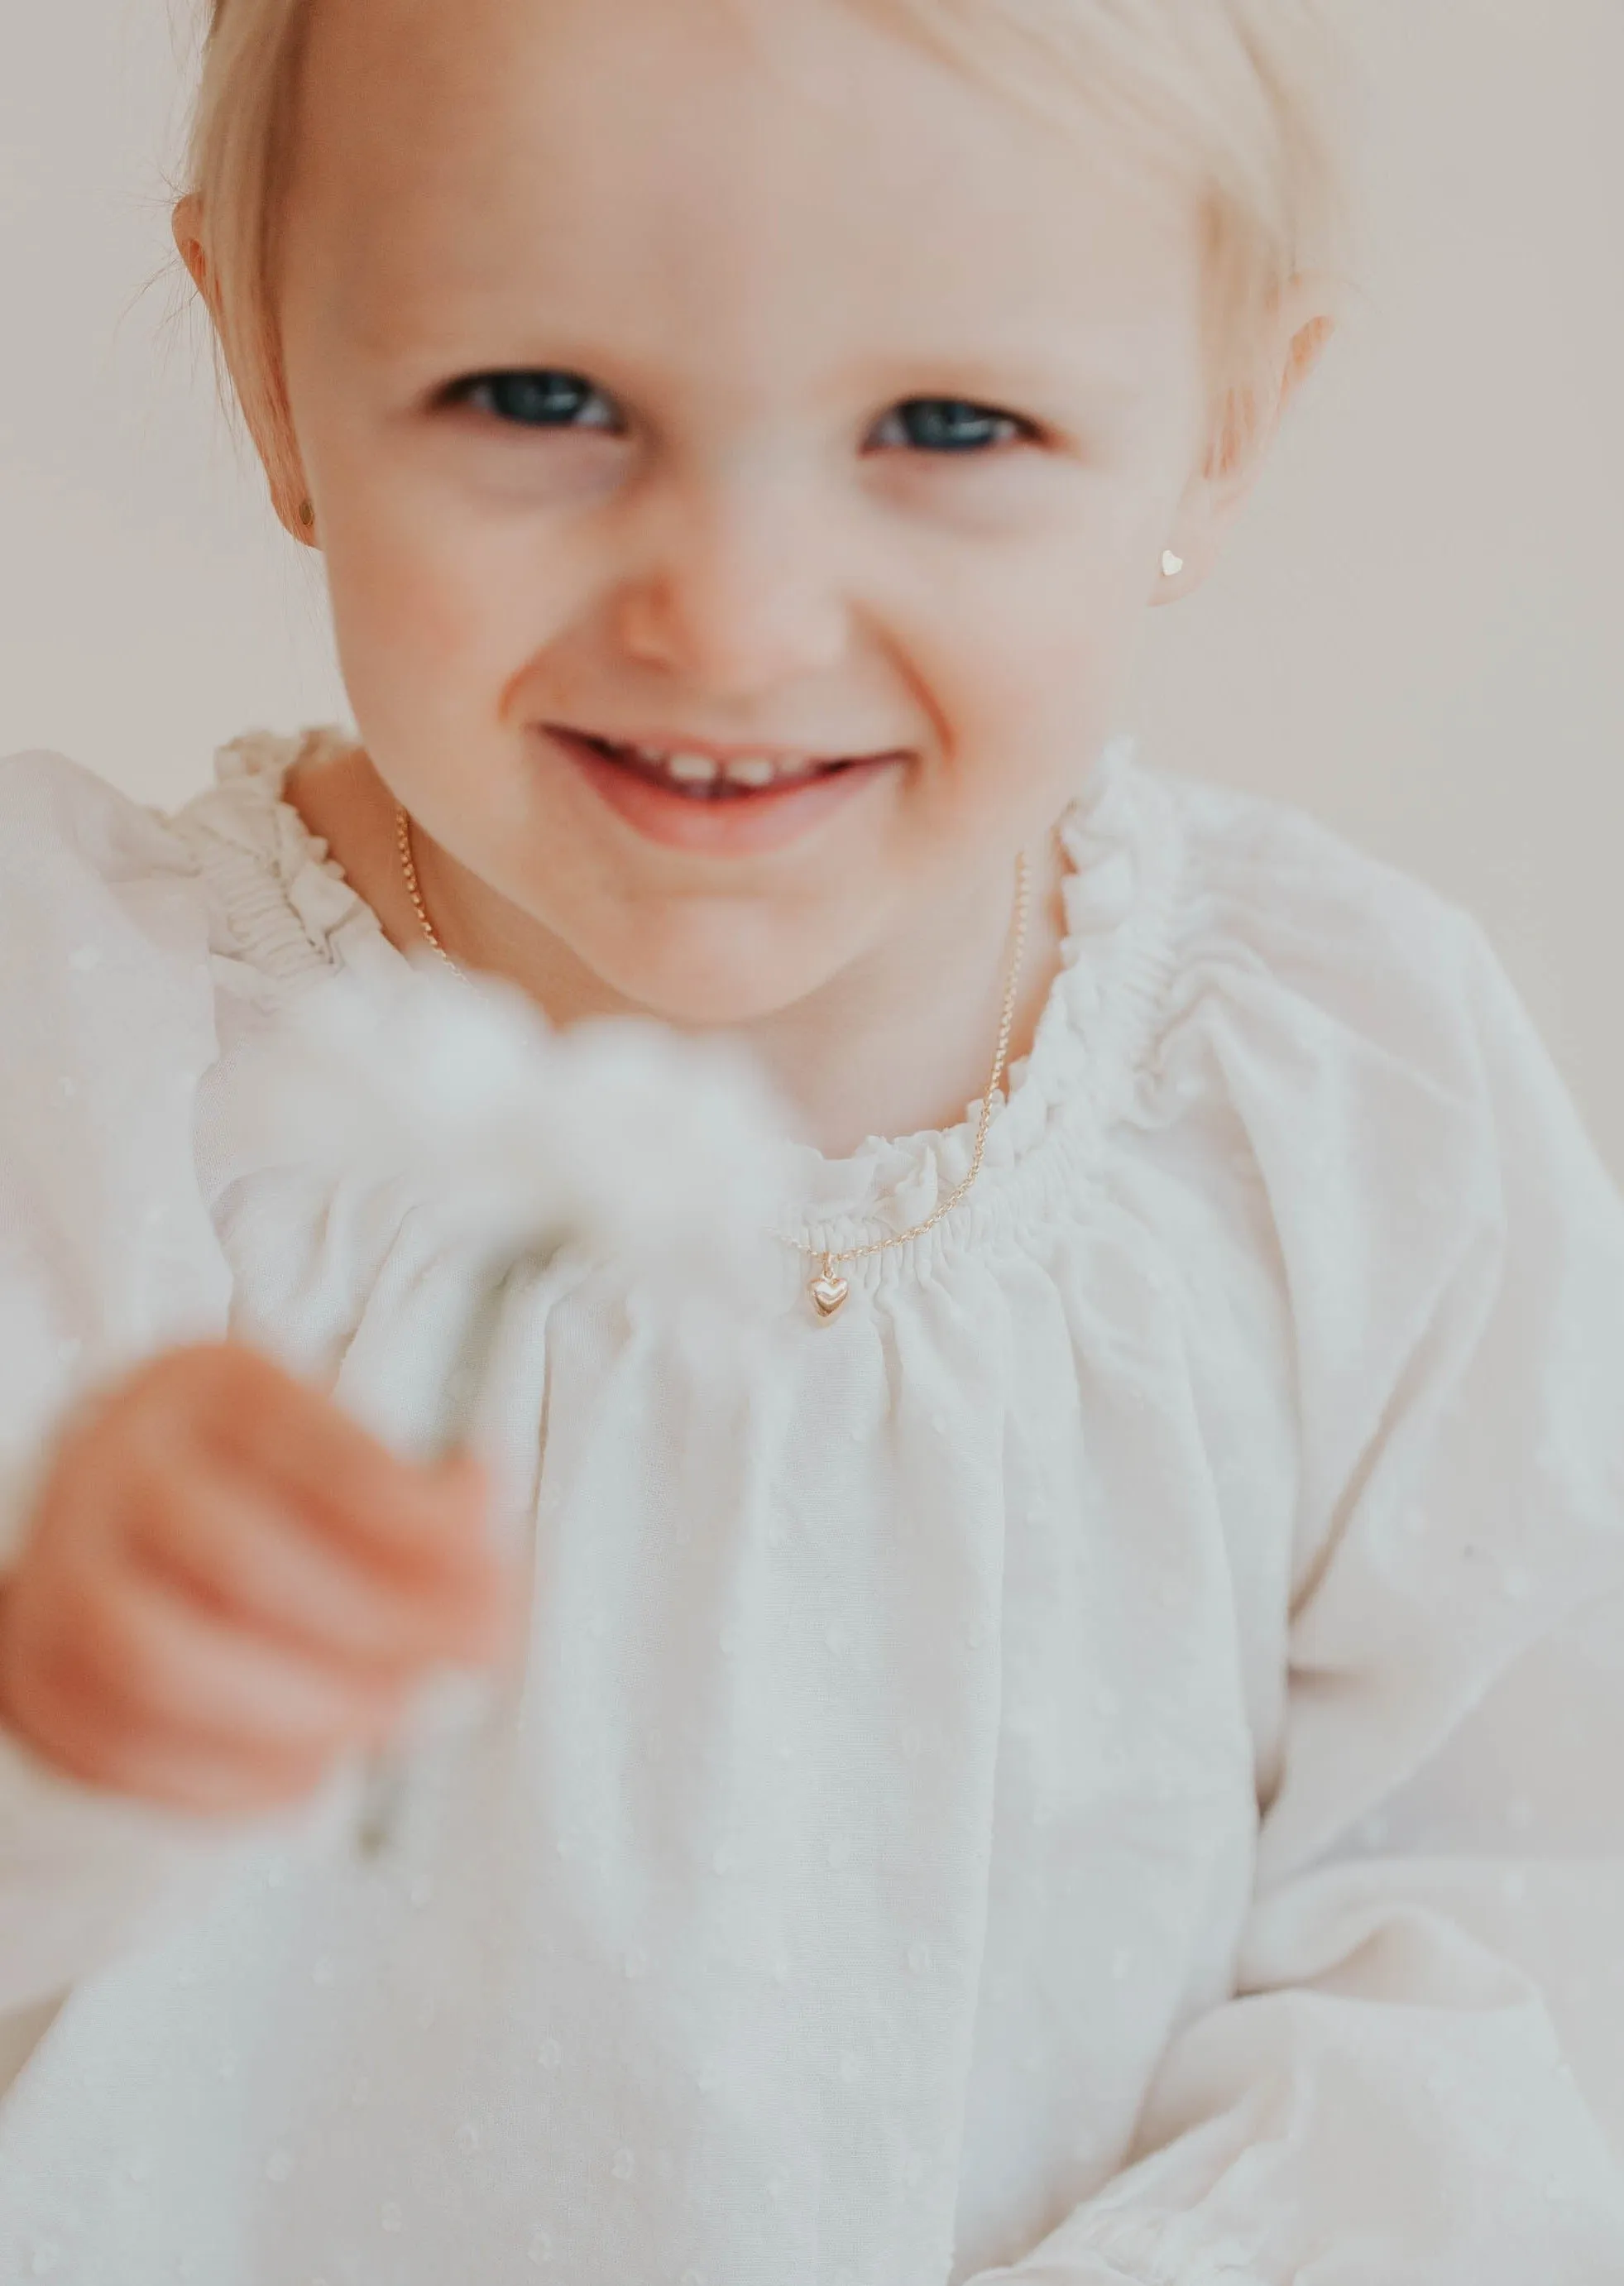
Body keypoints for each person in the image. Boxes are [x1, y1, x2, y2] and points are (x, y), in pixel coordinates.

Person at [2, 0, 1622, 2276]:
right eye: (540, 400)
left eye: (950, 425)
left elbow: (1522, 1943)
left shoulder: (1348, 1098)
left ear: (1224, 434)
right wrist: (46, 1699)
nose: (737, 624)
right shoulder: (77, 1064)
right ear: (268, 368)